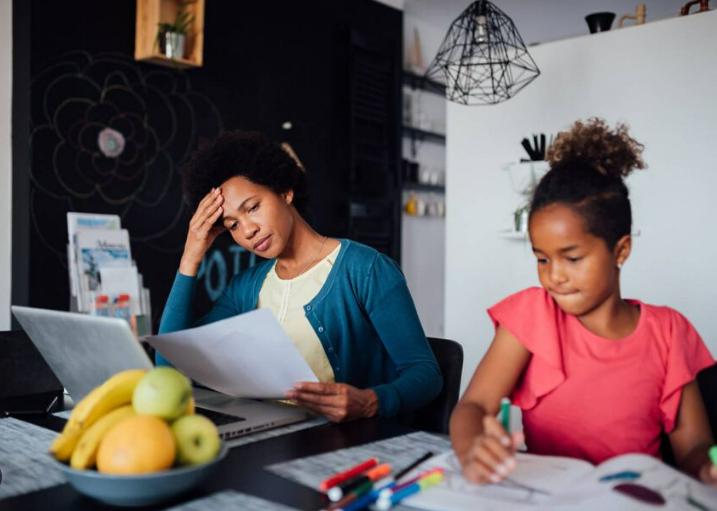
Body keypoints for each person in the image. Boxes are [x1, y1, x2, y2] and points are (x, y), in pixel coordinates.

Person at [450, 118, 716, 486]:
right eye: (542, 258)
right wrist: (472, 445)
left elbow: (694, 447)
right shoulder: (532, 316)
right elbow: (473, 407)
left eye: (572, 258)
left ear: (620, 250)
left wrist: (707, 468)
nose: (554, 275)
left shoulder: (669, 331)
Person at [155, 130, 442, 422]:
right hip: (270, 442)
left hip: (348, 445)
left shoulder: (366, 270)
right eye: (232, 225)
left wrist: (370, 402)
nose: (248, 230)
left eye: (253, 207)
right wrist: (191, 254)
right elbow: (168, 368)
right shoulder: (244, 288)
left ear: (284, 192)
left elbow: (426, 373)